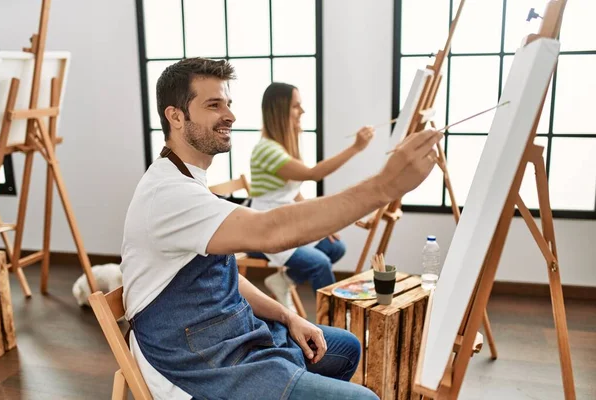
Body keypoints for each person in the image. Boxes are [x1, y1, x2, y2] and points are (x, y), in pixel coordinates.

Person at [120, 57, 441, 400]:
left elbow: (222, 275)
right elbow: (270, 232)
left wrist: (288, 316)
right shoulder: (167, 193)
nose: (230, 114)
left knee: (344, 347)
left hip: (223, 333)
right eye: (214, 104)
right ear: (176, 116)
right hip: (194, 363)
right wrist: (383, 187)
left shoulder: (188, 180)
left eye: (228, 103)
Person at [248, 82, 375, 308]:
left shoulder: (282, 147)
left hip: (287, 219)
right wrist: (356, 148)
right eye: (296, 106)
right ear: (279, 109)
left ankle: (284, 280)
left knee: (335, 247)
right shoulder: (266, 149)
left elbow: (293, 193)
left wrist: (321, 223)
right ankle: (332, 321)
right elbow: (313, 174)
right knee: (320, 264)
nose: (302, 112)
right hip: (268, 228)